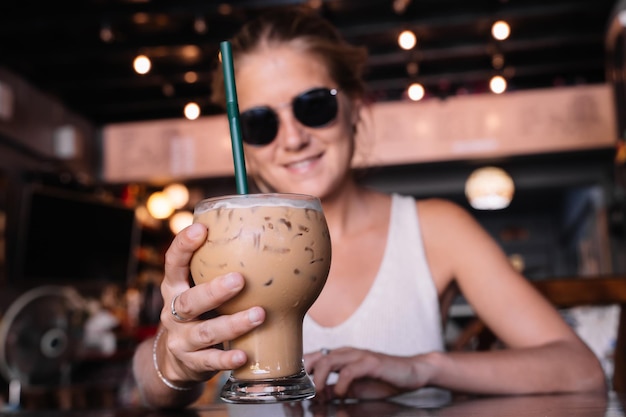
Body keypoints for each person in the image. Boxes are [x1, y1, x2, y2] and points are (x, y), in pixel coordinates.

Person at [131, 7, 606, 409]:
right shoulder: (220, 240)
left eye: (314, 106)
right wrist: (171, 361)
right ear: (244, 144)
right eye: (260, 123)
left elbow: (580, 370)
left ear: (355, 107)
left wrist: (421, 367)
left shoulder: (433, 228)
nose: (293, 138)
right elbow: (143, 384)